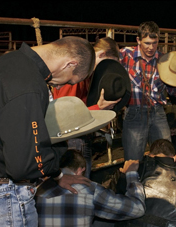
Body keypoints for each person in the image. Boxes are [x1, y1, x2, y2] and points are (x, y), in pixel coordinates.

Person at [0, 36, 96, 227]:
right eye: (70, 80)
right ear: (70, 64)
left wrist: (58, 176)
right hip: (4, 200)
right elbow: (23, 166)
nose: (59, 87)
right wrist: (54, 162)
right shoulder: (29, 86)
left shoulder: (8, 62)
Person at [52, 37, 123, 178]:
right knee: (79, 182)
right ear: (101, 54)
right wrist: (99, 108)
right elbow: (65, 115)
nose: (106, 69)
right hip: (74, 136)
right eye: (108, 63)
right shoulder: (78, 72)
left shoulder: (84, 71)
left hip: (77, 134)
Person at [119, 21, 176, 161]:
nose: (151, 47)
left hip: (158, 111)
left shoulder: (164, 60)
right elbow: (108, 67)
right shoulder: (126, 55)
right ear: (138, 40)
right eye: (147, 43)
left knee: (166, 155)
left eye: (154, 42)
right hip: (135, 111)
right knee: (133, 159)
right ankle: (132, 182)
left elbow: (172, 92)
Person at [35, 149, 145, 227]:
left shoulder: (37, 189)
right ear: (80, 170)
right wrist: (131, 174)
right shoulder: (88, 189)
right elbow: (137, 209)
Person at [113, 139, 176, 227]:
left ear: (149, 155)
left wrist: (124, 175)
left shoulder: (133, 169)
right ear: (175, 157)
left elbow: (116, 201)